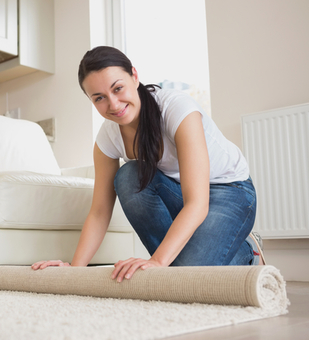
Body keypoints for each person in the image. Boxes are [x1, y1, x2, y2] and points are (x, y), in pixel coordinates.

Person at [32, 46, 266, 282]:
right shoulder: (107, 139)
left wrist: (157, 261)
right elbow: (100, 211)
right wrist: (74, 271)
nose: (113, 104)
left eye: (118, 88)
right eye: (100, 98)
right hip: (179, 194)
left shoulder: (177, 109)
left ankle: (248, 252)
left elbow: (197, 202)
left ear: (134, 76)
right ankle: (183, 262)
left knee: (185, 278)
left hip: (229, 192)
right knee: (128, 177)